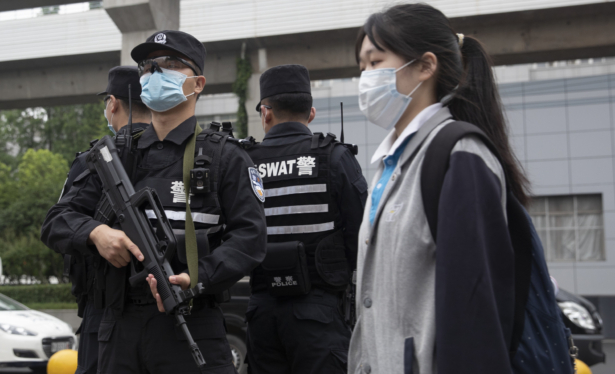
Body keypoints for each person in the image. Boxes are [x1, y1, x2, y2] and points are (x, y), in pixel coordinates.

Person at [41, 30, 267, 374]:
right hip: (118, 326)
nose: (155, 73)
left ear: (198, 83)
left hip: (190, 321)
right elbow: (57, 220)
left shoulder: (224, 157)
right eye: (148, 66)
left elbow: (250, 239)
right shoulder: (113, 154)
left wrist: (197, 276)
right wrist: (96, 233)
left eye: (171, 64)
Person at [349, 3, 530, 374]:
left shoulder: (459, 156)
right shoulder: (390, 163)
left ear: (425, 66)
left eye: (375, 61)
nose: (365, 77)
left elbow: (474, 309)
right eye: (361, 66)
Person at [245, 64, 368, 374]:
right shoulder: (336, 157)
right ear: (310, 113)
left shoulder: (245, 162)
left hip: (262, 315)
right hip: (320, 315)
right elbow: (362, 237)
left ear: (266, 112)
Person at [58, 65, 151, 374]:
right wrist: (98, 232)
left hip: (105, 314)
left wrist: (93, 232)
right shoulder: (184, 153)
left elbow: (57, 224)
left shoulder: (95, 158)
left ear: (113, 103)